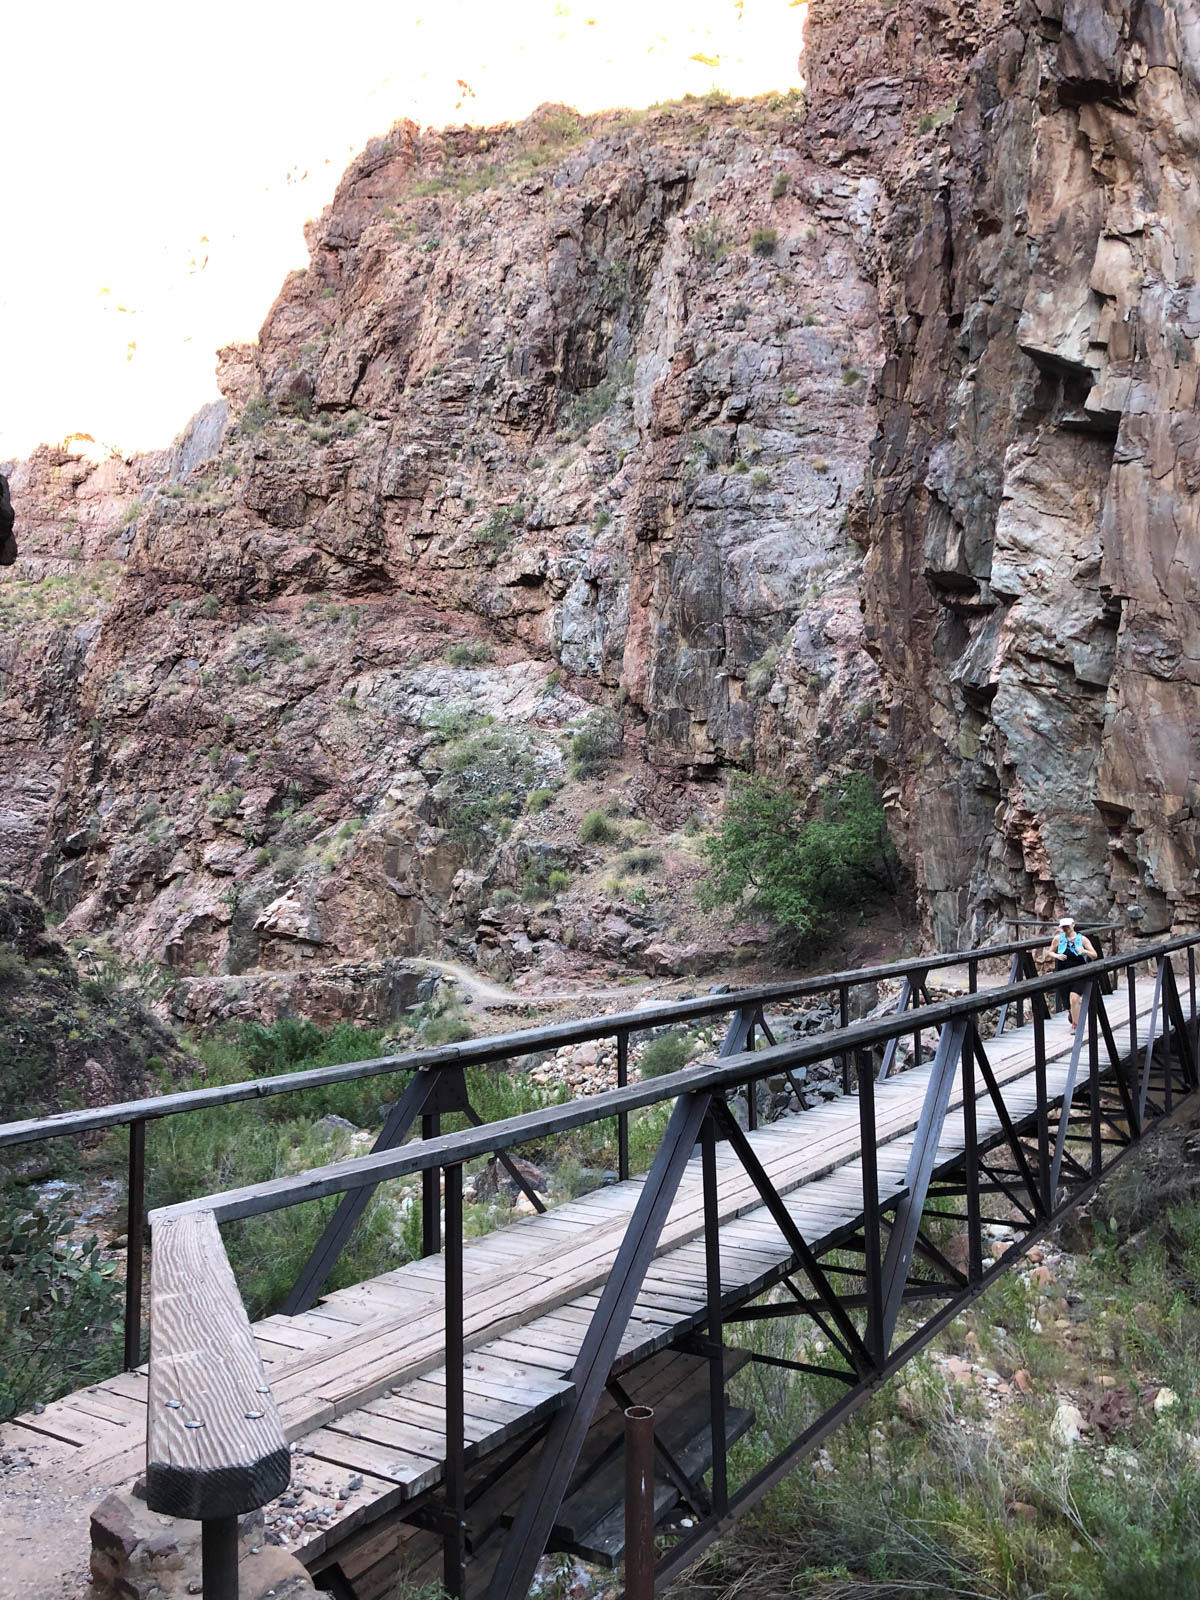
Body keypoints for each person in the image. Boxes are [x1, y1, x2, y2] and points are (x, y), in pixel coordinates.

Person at [1048, 916, 1098, 1026]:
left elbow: (1094, 955)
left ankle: (1076, 1025)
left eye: (1067, 926)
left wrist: (1084, 951)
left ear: (1073, 925)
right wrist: (1057, 955)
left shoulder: (1082, 939)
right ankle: (1071, 1012)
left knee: (1074, 997)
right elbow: (1050, 952)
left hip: (1079, 972)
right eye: (1063, 927)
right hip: (1062, 972)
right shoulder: (1058, 939)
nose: (1066, 928)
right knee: (1067, 1001)